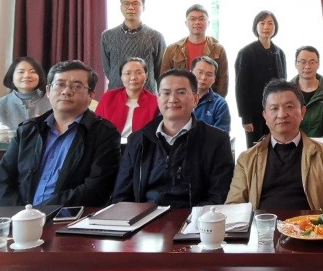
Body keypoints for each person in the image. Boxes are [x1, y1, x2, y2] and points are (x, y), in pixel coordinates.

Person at [0, 60, 121, 207]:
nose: (66, 91)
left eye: (77, 86)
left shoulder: (104, 133)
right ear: (48, 91)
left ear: (91, 95)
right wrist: (22, 214)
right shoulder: (28, 130)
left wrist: (42, 212)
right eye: (60, 84)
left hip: (69, 217)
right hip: (18, 216)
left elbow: (96, 189)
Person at [112, 69, 234, 205]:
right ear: (158, 99)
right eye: (166, 93)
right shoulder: (138, 140)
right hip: (146, 214)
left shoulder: (216, 140)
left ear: (195, 99)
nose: (172, 99)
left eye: (181, 93)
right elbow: (121, 197)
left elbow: (219, 196)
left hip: (194, 215)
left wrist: (192, 217)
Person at [226, 79, 323, 211]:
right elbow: (234, 205)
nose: (282, 114)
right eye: (274, 108)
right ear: (265, 116)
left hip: (310, 223)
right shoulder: (246, 159)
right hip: (262, 223)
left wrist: (317, 220)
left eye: (289, 107)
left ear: (302, 112)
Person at [234, 10, 286, 148]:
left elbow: (284, 85)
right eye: (262, 23)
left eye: (270, 23)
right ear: (255, 26)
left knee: (276, 148)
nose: (266, 27)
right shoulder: (246, 53)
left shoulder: (280, 53)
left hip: (276, 112)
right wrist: (245, 117)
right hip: (254, 114)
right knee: (255, 151)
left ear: (275, 27)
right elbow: (241, 88)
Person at [100, 0, 165, 92]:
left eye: (135, 3)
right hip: (116, 95)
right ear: (121, 7)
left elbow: (160, 72)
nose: (130, 7)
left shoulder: (156, 37)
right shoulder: (107, 36)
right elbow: (108, 70)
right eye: (126, 3)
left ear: (143, 7)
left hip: (147, 96)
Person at [160, 4, 229, 96]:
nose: (197, 22)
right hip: (179, 99)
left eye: (201, 19)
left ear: (208, 23)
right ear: (186, 23)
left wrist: (216, 102)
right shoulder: (172, 49)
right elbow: (164, 79)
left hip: (209, 100)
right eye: (192, 19)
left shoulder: (218, 49)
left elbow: (223, 81)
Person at [94, 57, 158, 138]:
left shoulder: (155, 102)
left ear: (146, 76)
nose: (133, 77)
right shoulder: (108, 98)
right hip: (110, 144)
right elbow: (96, 127)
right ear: (121, 77)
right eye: (128, 73)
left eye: (138, 73)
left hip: (142, 145)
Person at [292, 46, 323, 139]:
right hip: (291, 145)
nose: (307, 66)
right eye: (303, 62)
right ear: (295, 64)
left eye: (312, 62)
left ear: (318, 64)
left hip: (321, 146)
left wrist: (318, 146)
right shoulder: (285, 93)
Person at [0, 56, 51, 130]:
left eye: (33, 71)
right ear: (11, 77)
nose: (27, 76)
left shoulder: (51, 100)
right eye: (21, 72)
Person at [190, 56, 231, 132]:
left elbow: (221, 135)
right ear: (190, 73)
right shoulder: (177, 98)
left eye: (209, 74)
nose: (203, 78)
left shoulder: (220, 104)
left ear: (214, 79)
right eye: (200, 72)